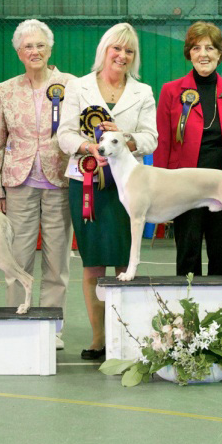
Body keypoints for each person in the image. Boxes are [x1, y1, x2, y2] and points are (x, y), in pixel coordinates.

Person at [57, 23, 157, 360]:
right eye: (117, 49)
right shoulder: (78, 87)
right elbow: (64, 135)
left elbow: (150, 138)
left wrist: (123, 138)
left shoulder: (143, 92)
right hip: (85, 182)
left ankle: (124, 337)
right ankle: (99, 339)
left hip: (127, 185)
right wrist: (89, 147)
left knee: (124, 263)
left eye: (129, 51)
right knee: (93, 264)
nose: (122, 56)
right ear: (104, 50)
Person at [0, 19, 76, 350]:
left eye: (40, 45)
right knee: (17, 258)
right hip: (18, 183)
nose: (35, 51)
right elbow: (0, 140)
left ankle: (52, 327)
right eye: (28, 46)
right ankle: (16, 321)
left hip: (61, 182)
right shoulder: (6, 89)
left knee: (57, 261)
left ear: (50, 48)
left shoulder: (71, 85)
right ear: (18, 52)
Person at [153, 21, 222, 277]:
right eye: (196, 48)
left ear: (220, 53)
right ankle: (186, 313)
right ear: (189, 53)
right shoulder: (170, 92)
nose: (203, 54)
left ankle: (220, 314)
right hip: (184, 189)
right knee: (188, 254)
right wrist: (161, 191)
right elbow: (163, 144)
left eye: (209, 48)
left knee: (221, 255)